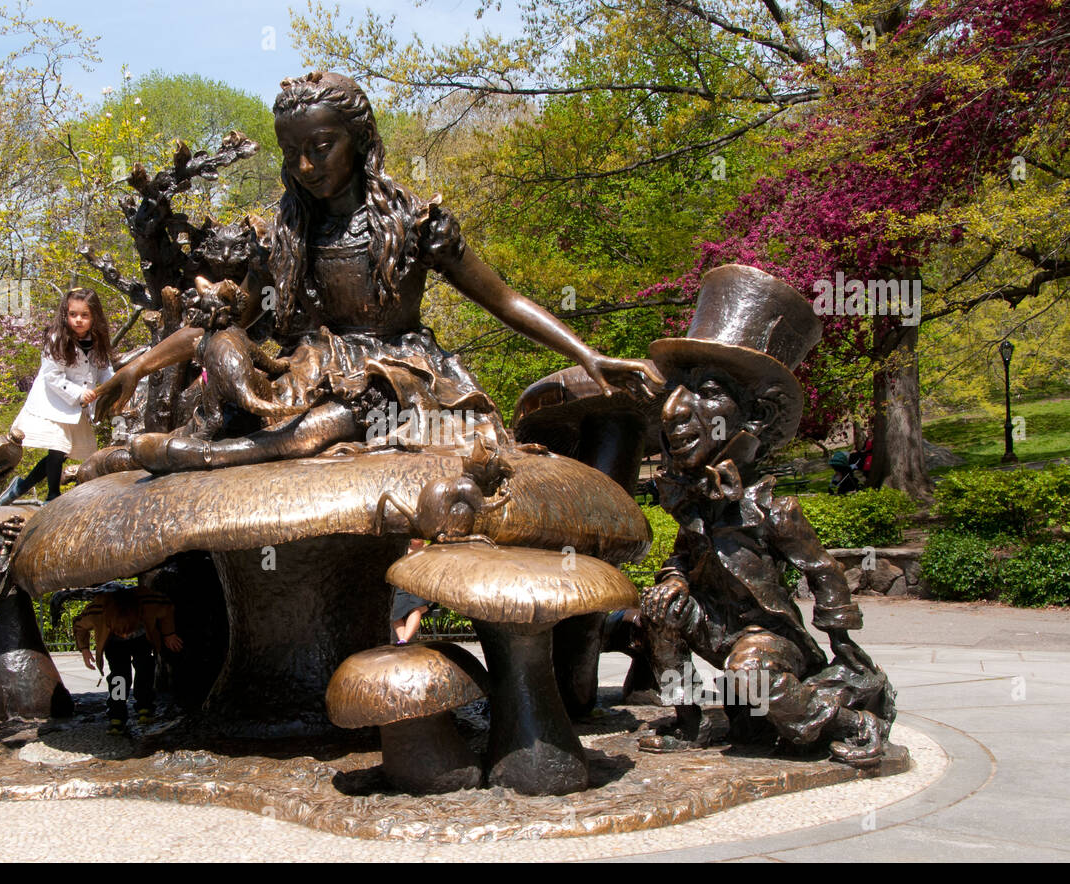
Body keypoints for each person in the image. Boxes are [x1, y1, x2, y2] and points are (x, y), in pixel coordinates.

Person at [92, 71, 659, 473]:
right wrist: (136, 368)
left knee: (330, 425)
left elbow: (504, 300)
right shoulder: (285, 237)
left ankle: (210, 457)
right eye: (293, 154)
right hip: (312, 367)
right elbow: (225, 324)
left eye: (321, 147)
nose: (306, 166)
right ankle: (177, 446)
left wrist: (587, 354)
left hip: (396, 374)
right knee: (234, 385)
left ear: (359, 143)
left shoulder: (416, 224)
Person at [630, 265, 894, 767]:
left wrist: (841, 644)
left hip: (767, 638)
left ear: (755, 416)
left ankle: (850, 722)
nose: (675, 410)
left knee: (752, 673)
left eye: (705, 391)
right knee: (657, 612)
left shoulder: (773, 507)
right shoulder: (696, 503)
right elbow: (681, 559)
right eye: (677, 391)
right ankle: (690, 719)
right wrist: (674, 584)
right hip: (715, 626)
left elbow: (822, 570)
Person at [0, 289, 114, 503]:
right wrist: (79, 393)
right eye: (73, 314)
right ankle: (52, 495)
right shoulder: (57, 339)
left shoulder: (97, 342)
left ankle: (21, 486)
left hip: (78, 407)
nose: (78, 320)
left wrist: (115, 388)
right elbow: (53, 376)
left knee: (62, 453)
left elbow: (105, 370)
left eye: (84, 315)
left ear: (94, 316)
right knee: (57, 446)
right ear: (65, 315)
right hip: (53, 403)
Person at [73, 587, 181, 734]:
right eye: (120, 631)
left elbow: (167, 608)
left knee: (145, 668)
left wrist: (169, 633)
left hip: (141, 638)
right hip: (113, 643)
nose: (124, 636)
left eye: (127, 631)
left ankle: (145, 706)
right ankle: (116, 715)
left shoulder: (149, 603)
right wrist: (84, 649)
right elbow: (79, 625)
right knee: (119, 677)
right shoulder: (97, 611)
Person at [390, 539, 432, 644]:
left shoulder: (430, 549)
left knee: (416, 609)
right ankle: (403, 642)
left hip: (421, 586)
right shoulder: (402, 548)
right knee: (395, 615)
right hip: (402, 586)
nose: (416, 538)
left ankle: (404, 640)